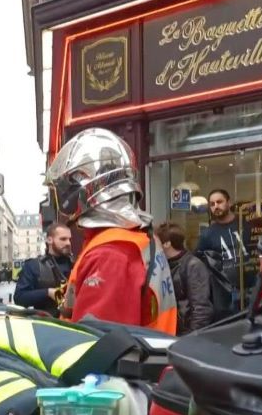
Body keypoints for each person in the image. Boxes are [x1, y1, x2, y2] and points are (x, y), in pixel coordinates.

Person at [45, 128, 177, 334]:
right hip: (149, 355)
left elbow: (95, 342)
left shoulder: (110, 253)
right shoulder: (135, 238)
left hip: (126, 364)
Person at [194, 188, 252, 310]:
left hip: (252, 287)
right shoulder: (208, 234)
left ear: (229, 203)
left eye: (219, 202)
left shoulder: (246, 224)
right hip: (226, 293)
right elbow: (197, 261)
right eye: (212, 204)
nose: (216, 206)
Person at [156, 222, 214, 335]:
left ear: (167, 244)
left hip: (185, 334)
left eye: (157, 242)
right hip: (171, 331)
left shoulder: (193, 266)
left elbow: (201, 308)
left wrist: (191, 338)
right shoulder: (164, 264)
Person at [14, 221, 73, 315]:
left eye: (69, 239)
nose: (68, 243)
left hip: (76, 323)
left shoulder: (75, 264)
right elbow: (19, 298)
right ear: (49, 240)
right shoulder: (33, 266)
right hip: (48, 324)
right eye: (63, 239)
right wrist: (48, 292)